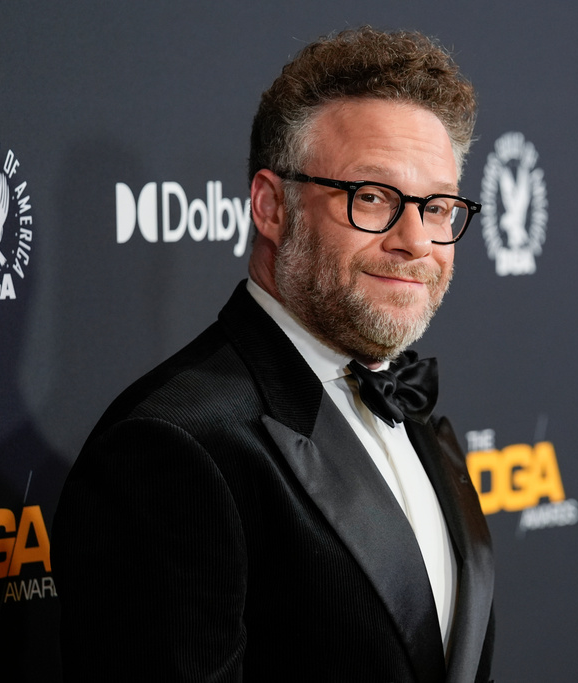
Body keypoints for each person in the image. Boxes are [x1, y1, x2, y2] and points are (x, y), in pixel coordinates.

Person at [52, 26, 495, 682]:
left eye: (436, 206)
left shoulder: (414, 408)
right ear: (270, 206)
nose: (415, 241)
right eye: (372, 197)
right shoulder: (174, 449)